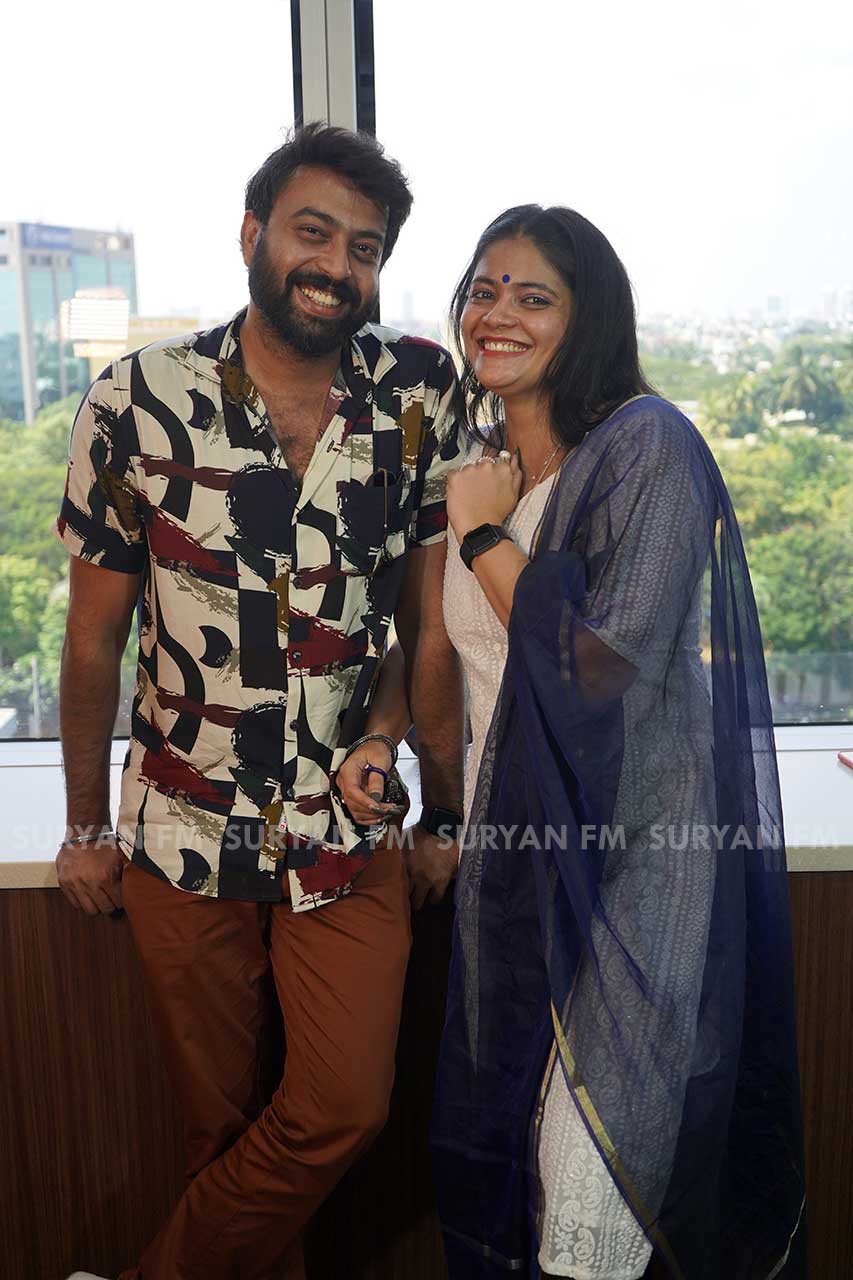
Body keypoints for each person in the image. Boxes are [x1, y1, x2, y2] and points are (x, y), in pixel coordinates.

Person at [341, 206, 806, 1278]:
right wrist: (389, 750)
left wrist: (484, 534)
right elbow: (440, 652)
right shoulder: (479, 463)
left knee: (595, 1188)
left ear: (587, 316)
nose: (495, 312)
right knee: (530, 1180)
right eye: (482, 289)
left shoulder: (647, 446)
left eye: (532, 295)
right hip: (515, 869)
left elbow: (595, 665)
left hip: (637, 864)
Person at [54, 123, 464, 1280]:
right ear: (253, 234)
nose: (335, 264)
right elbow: (92, 641)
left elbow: (429, 629)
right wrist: (84, 826)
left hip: (346, 824)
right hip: (183, 824)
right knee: (223, 1133)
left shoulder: (418, 391)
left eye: (364, 248)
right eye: (312, 232)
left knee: (343, 1104)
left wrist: (438, 804)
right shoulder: (136, 398)